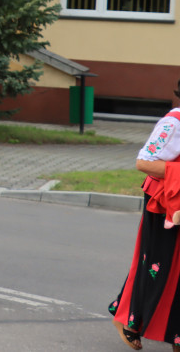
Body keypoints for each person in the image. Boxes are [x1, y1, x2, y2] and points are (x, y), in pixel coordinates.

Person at [108, 85, 180, 351]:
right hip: (165, 205)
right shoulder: (173, 123)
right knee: (157, 268)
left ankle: (176, 333)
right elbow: (144, 162)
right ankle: (128, 318)